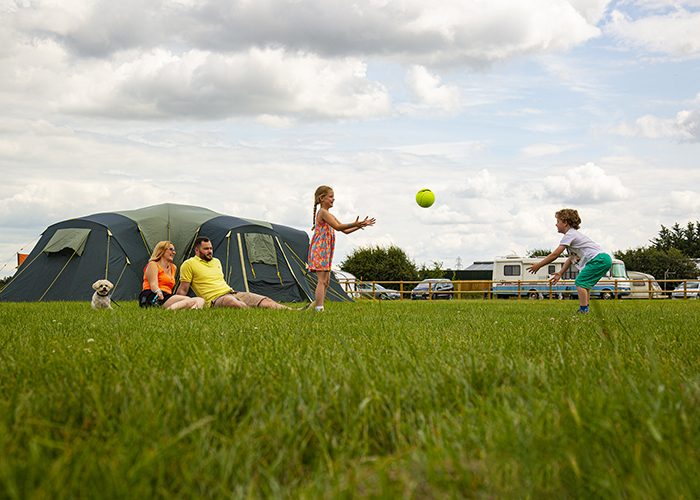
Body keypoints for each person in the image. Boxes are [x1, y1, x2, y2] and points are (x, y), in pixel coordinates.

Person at [526, 208, 612, 313]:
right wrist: (560, 273)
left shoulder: (570, 235)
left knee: (580, 282)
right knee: (585, 285)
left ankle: (583, 310)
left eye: (558, 222)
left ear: (565, 223)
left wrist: (538, 265)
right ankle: (585, 309)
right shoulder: (573, 236)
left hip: (599, 259)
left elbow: (555, 254)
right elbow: (571, 259)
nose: (556, 224)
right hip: (603, 259)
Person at [308, 185, 376, 312]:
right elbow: (338, 227)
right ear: (322, 198)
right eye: (331, 196)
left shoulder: (330, 215)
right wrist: (355, 223)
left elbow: (345, 230)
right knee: (322, 281)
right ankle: (318, 308)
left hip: (326, 251)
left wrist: (360, 225)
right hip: (320, 251)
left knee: (326, 281)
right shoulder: (323, 213)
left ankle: (316, 306)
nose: (333, 199)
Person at [176, 237, 292, 310]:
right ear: (197, 250)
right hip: (214, 300)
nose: (210, 251)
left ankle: (293, 311)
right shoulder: (189, 264)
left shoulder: (216, 261)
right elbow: (183, 289)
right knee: (230, 302)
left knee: (264, 300)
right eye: (206, 249)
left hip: (232, 292)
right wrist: (177, 304)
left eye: (211, 248)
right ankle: (254, 314)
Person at [139, 241, 205, 310]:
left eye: (174, 250)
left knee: (201, 300)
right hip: (153, 295)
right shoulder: (153, 264)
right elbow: (153, 284)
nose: (174, 252)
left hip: (167, 296)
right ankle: (167, 312)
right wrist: (158, 292)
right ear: (162, 250)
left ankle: (189, 314)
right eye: (170, 249)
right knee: (189, 300)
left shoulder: (173, 267)